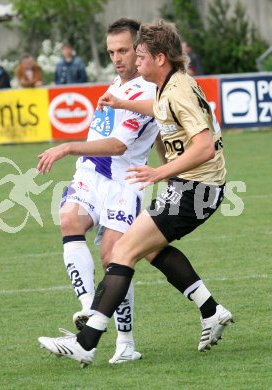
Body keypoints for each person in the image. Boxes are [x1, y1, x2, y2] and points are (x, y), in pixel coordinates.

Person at [38, 19, 233, 367]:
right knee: (148, 250)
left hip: (196, 189)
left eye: (139, 55)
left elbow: (204, 147)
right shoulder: (170, 85)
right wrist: (123, 105)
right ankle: (212, 311)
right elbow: (160, 112)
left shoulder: (177, 90)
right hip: (192, 187)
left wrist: (160, 172)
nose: (134, 62)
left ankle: (87, 344)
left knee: (123, 251)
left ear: (160, 58)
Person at [37, 18, 159, 364]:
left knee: (114, 258)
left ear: (140, 50)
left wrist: (66, 147)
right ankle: (89, 307)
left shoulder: (147, 92)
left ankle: (125, 343)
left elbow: (119, 146)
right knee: (69, 219)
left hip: (123, 182)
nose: (117, 58)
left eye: (123, 50)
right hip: (92, 174)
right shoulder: (115, 84)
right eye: (111, 52)